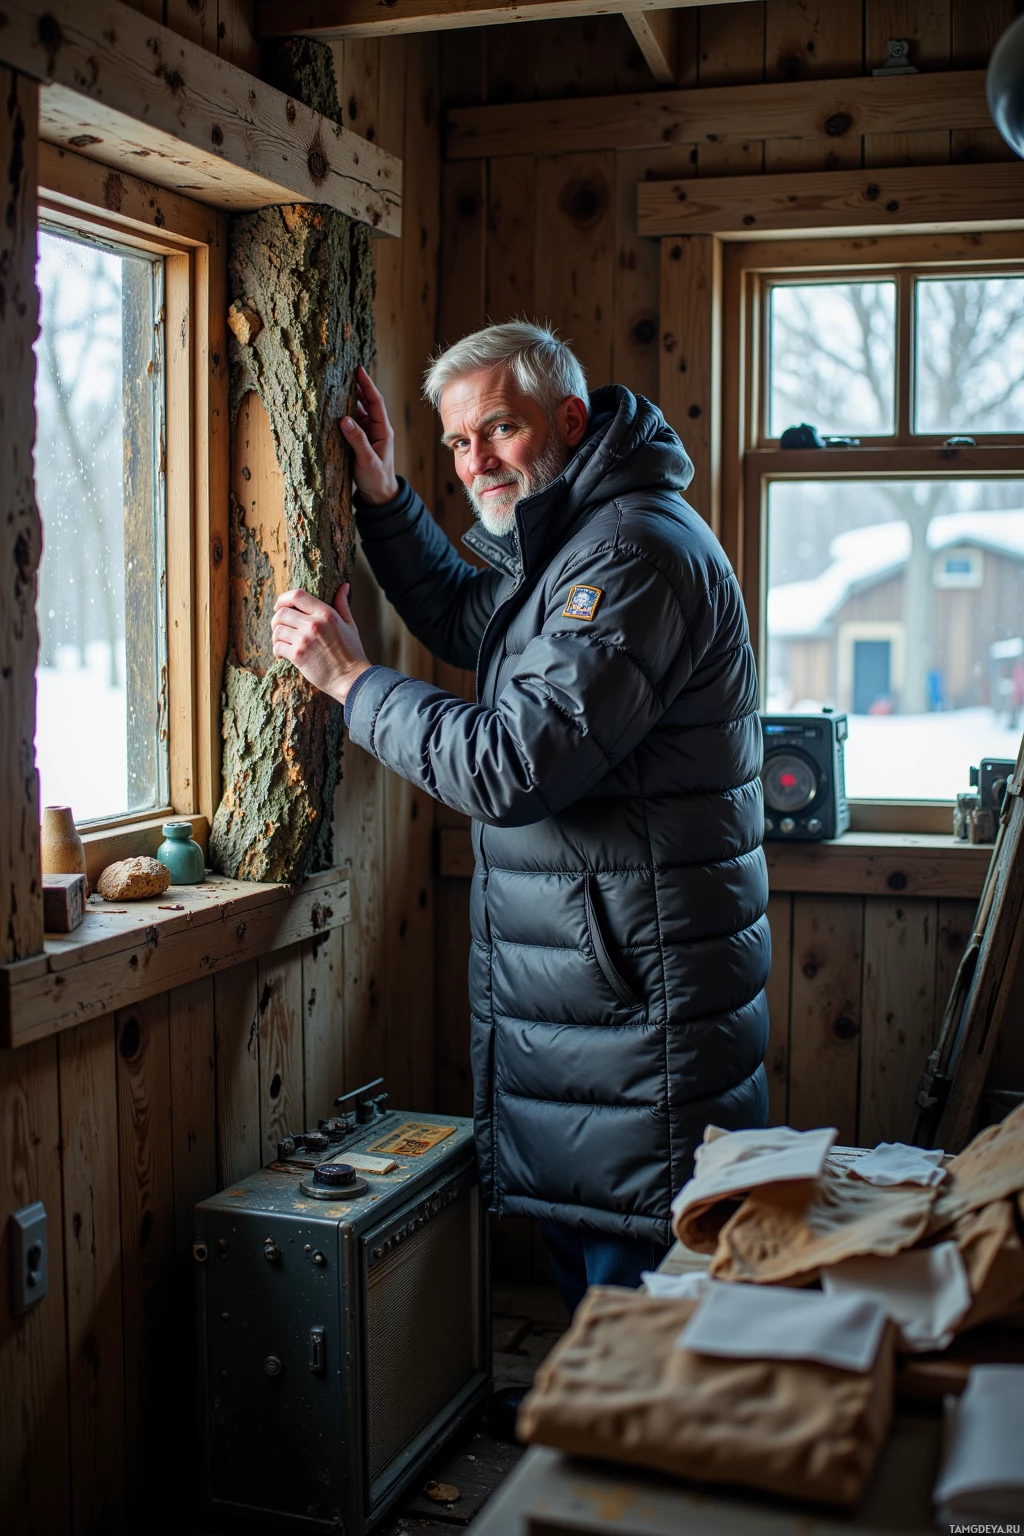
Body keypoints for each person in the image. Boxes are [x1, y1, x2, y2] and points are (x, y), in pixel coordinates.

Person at [271, 322, 769, 1319]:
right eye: (457, 444)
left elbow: (510, 764)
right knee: (597, 1281)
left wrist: (353, 683)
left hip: (637, 1010)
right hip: (602, 996)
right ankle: (580, 1430)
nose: (475, 462)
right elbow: (480, 624)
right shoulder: (582, 532)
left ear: (570, 420)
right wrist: (385, 504)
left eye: (497, 429)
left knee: (641, 1303)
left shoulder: (628, 557)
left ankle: (610, 1456)